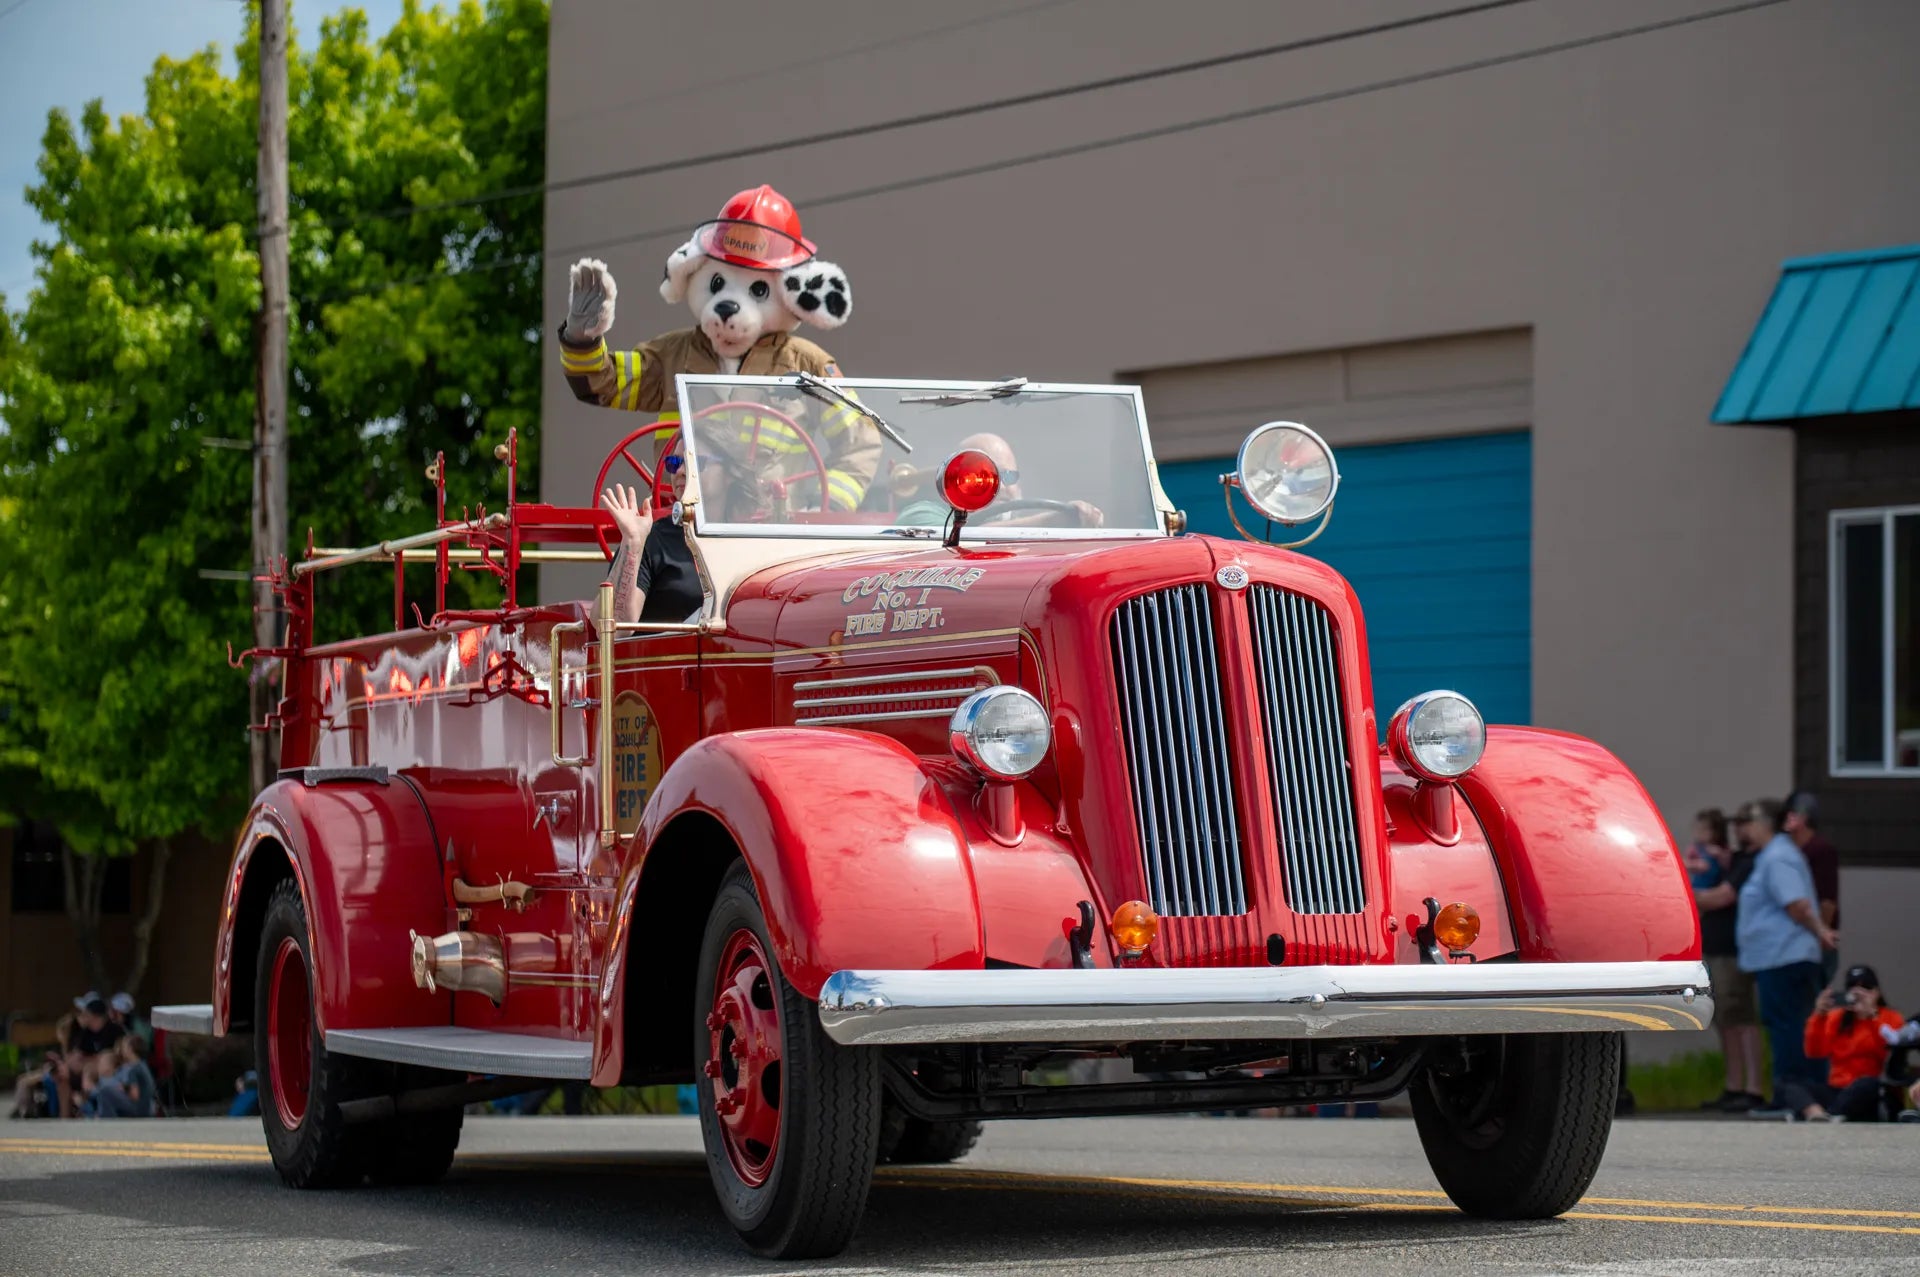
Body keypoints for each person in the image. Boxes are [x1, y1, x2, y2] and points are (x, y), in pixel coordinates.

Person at [1735, 799, 1838, 1112]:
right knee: (1788, 1023)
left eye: (1748, 821)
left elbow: (1797, 905)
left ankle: (1793, 1095)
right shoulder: (1774, 855)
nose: (1744, 828)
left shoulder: (1778, 857)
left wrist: (1820, 930)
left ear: (1764, 823)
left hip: (1784, 956)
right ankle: (1799, 1095)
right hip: (1779, 957)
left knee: (1788, 1026)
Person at [1688, 808, 1764, 1111]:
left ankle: (1753, 1087)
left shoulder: (1746, 862)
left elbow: (1722, 897)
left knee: (1741, 1018)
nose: (1741, 831)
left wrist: (1684, 894)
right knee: (1725, 1020)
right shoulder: (1730, 859)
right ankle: (1734, 1086)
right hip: (1716, 948)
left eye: (1746, 824)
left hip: (1732, 950)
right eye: (1738, 825)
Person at [1768, 966, 1905, 1121]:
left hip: (1867, 1090)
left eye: (1865, 987)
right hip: (1837, 1088)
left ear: (1876, 992)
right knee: (1788, 1083)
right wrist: (1819, 1015)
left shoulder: (1890, 1017)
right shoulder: (1837, 1017)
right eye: (1853, 987)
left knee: (1867, 1084)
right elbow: (1814, 1052)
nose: (1858, 993)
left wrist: (1871, 1017)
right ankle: (1816, 1113)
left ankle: (1829, 1114)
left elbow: (1886, 1054)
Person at [896, 433, 1104, 529]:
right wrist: (1053, 521)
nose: (1002, 487)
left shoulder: (1030, 530)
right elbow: (958, 539)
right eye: (985, 476)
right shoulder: (922, 515)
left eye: (1009, 476)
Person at [1783, 791, 1841, 984]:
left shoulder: (1820, 851)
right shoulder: (1788, 851)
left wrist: (1820, 936)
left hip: (1813, 942)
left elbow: (1827, 900)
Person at [82, 1034, 156, 1119]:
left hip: (139, 1108)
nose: (122, 1050)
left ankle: (105, 1120)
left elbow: (135, 1095)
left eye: (124, 1047)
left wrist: (123, 1088)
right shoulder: (142, 1065)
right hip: (146, 1107)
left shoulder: (133, 1069)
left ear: (130, 1049)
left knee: (105, 1092)